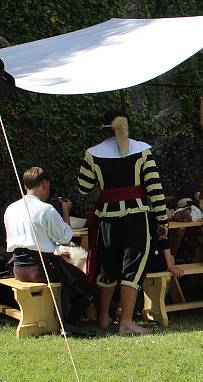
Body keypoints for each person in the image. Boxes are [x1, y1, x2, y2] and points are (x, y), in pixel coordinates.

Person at [78, 110, 168, 334]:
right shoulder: (142, 150)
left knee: (108, 266)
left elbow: (83, 187)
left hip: (107, 217)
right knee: (133, 267)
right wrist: (162, 220)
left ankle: (104, 316)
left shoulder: (92, 154)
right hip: (136, 216)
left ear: (104, 129)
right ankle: (126, 322)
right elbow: (155, 190)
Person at [5, 167, 96, 336]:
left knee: (66, 271)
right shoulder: (46, 209)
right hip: (40, 269)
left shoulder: (10, 209)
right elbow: (65, 237)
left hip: (18, 268)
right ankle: (69, 322)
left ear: (26, 186)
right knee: (86, 284)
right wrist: (66, 211)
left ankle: (61, 318)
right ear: (45, 184)